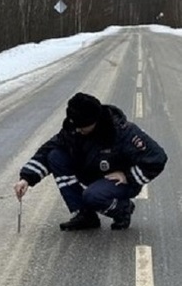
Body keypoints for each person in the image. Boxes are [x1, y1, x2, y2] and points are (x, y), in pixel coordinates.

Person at [13, 92, 167, 231]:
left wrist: (128, 175)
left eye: (82, 127)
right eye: (76, 126)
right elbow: (47, 149)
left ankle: (122, 209)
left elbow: (157, 158)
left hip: (119, 182)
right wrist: (26, 179)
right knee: (55, 156)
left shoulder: (122, 132)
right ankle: (84, 215)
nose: (78, 130)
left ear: (95, 120)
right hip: (92, 174)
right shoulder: (74, 128)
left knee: (92, 196)